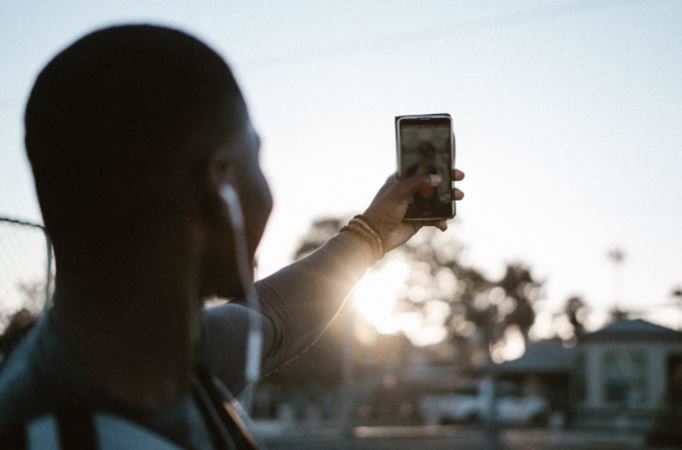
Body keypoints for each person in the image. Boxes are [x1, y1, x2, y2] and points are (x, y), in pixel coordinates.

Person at [0, 24, 465, 449]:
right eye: (255, 158)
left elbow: (278, 315)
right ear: (219, 183)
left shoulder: (155, 355)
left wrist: (372, 234)